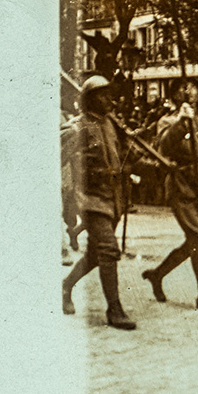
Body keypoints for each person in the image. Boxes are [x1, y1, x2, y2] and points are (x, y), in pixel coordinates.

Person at [62, 75, 139, 331]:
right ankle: (114, 309)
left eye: (110, 95)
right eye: (104, 95)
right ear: (91, 99)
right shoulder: (77, 127)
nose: (110, 100)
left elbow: (126, 155)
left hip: (113, 198)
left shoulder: (111, 125)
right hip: (91, 199)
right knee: (108, 250)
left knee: (96, 254)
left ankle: (65, 285)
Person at [141, 79, 198, 313]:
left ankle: (157, 274)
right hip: (180, 186)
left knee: (193, 243)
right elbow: (163, 147)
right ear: (174, 95)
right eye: (182, 88)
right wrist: (181, 122)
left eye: (193, 87)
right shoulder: (168, 120)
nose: (189, 91)